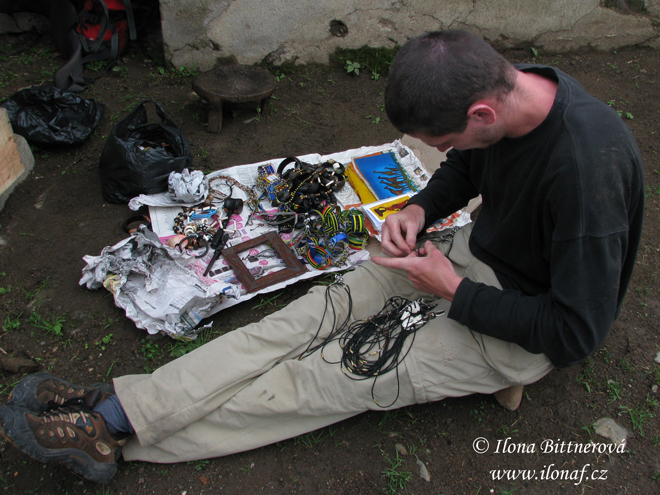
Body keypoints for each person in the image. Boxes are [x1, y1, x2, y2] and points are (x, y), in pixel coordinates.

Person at [0, 30, 644, 484]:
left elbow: (576, 332)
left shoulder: (588, 172)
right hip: (464, 259)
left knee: (325, 375)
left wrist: (450, 288)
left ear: (481, 108)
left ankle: (120, 437)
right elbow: (468, 162)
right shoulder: (515, 101)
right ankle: (110, 408)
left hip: (520, 322)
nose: (446, 148)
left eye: (442, 138)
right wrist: (419, 209)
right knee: (297, 323)